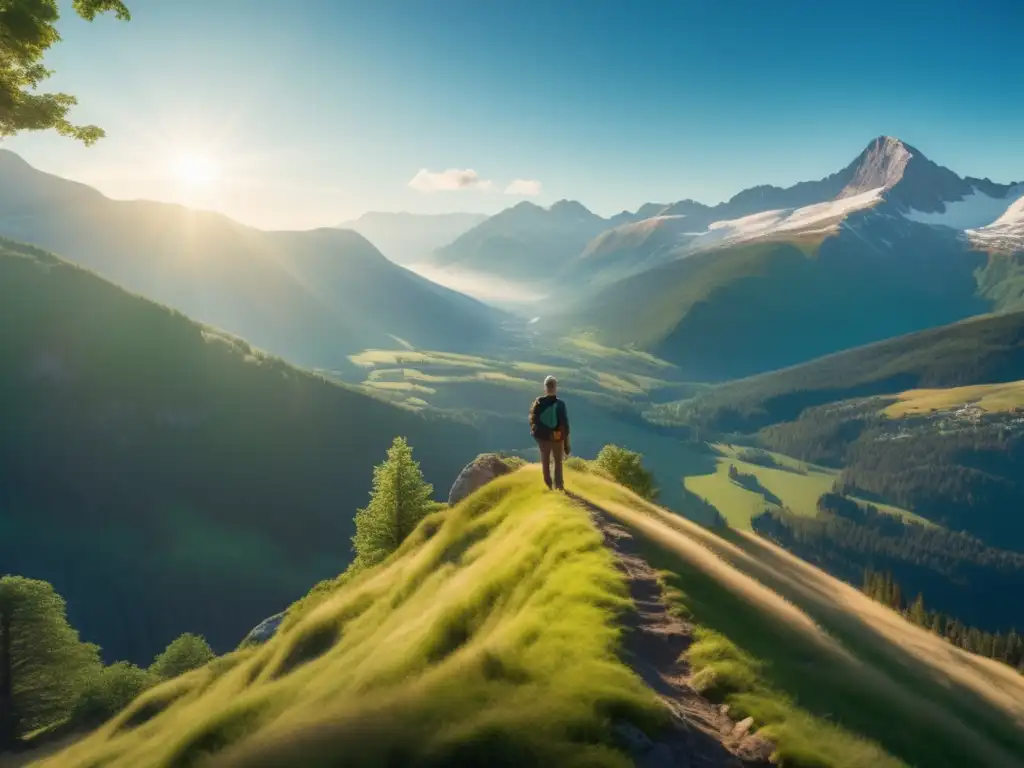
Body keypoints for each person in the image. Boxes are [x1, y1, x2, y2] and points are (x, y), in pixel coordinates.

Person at [529, 375, 571, 491]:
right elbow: (565, 425)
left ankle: (548, 485)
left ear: (545, 388)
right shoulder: (561, 404)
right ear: (555, 387)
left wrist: (537, 436)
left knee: (545, 461)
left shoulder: (538, 402)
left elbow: (533, 421)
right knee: (558, 461)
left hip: (543, 438)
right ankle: (559, 486)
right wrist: (566, 443)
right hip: (557, 438)